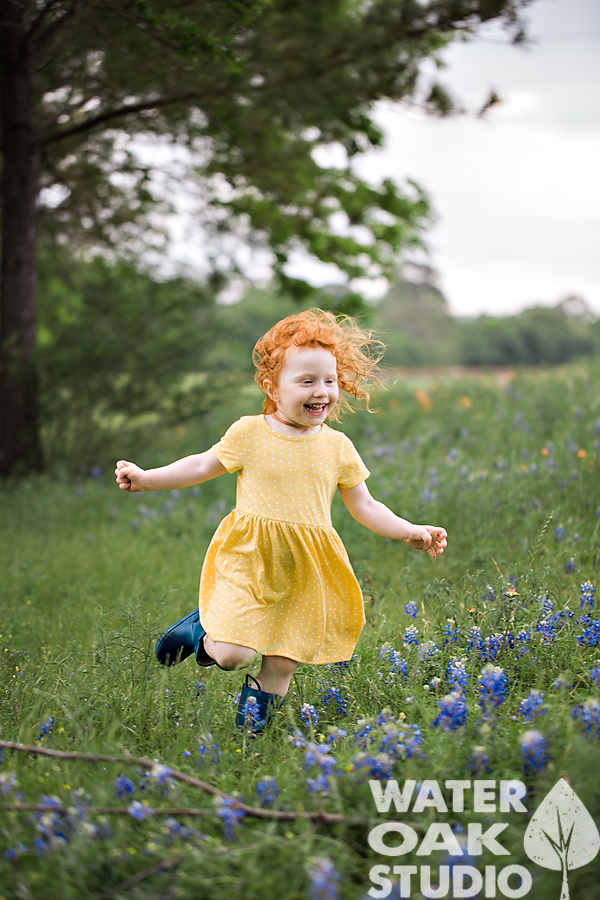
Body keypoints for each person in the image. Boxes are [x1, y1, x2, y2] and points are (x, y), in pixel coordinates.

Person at [115, 309, 447, 731]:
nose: (321, 391)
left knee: (283, 661)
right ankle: (201, 629)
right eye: (306, 381)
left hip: (307, 566)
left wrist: (409, 531)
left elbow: (365, 505)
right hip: (251, 555)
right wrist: (146, 480)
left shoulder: (338, 446)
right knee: (234, 655)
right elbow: (200, 465)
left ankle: (247, 743)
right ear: (273, 387)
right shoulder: (250, 433)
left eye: (329, 380)